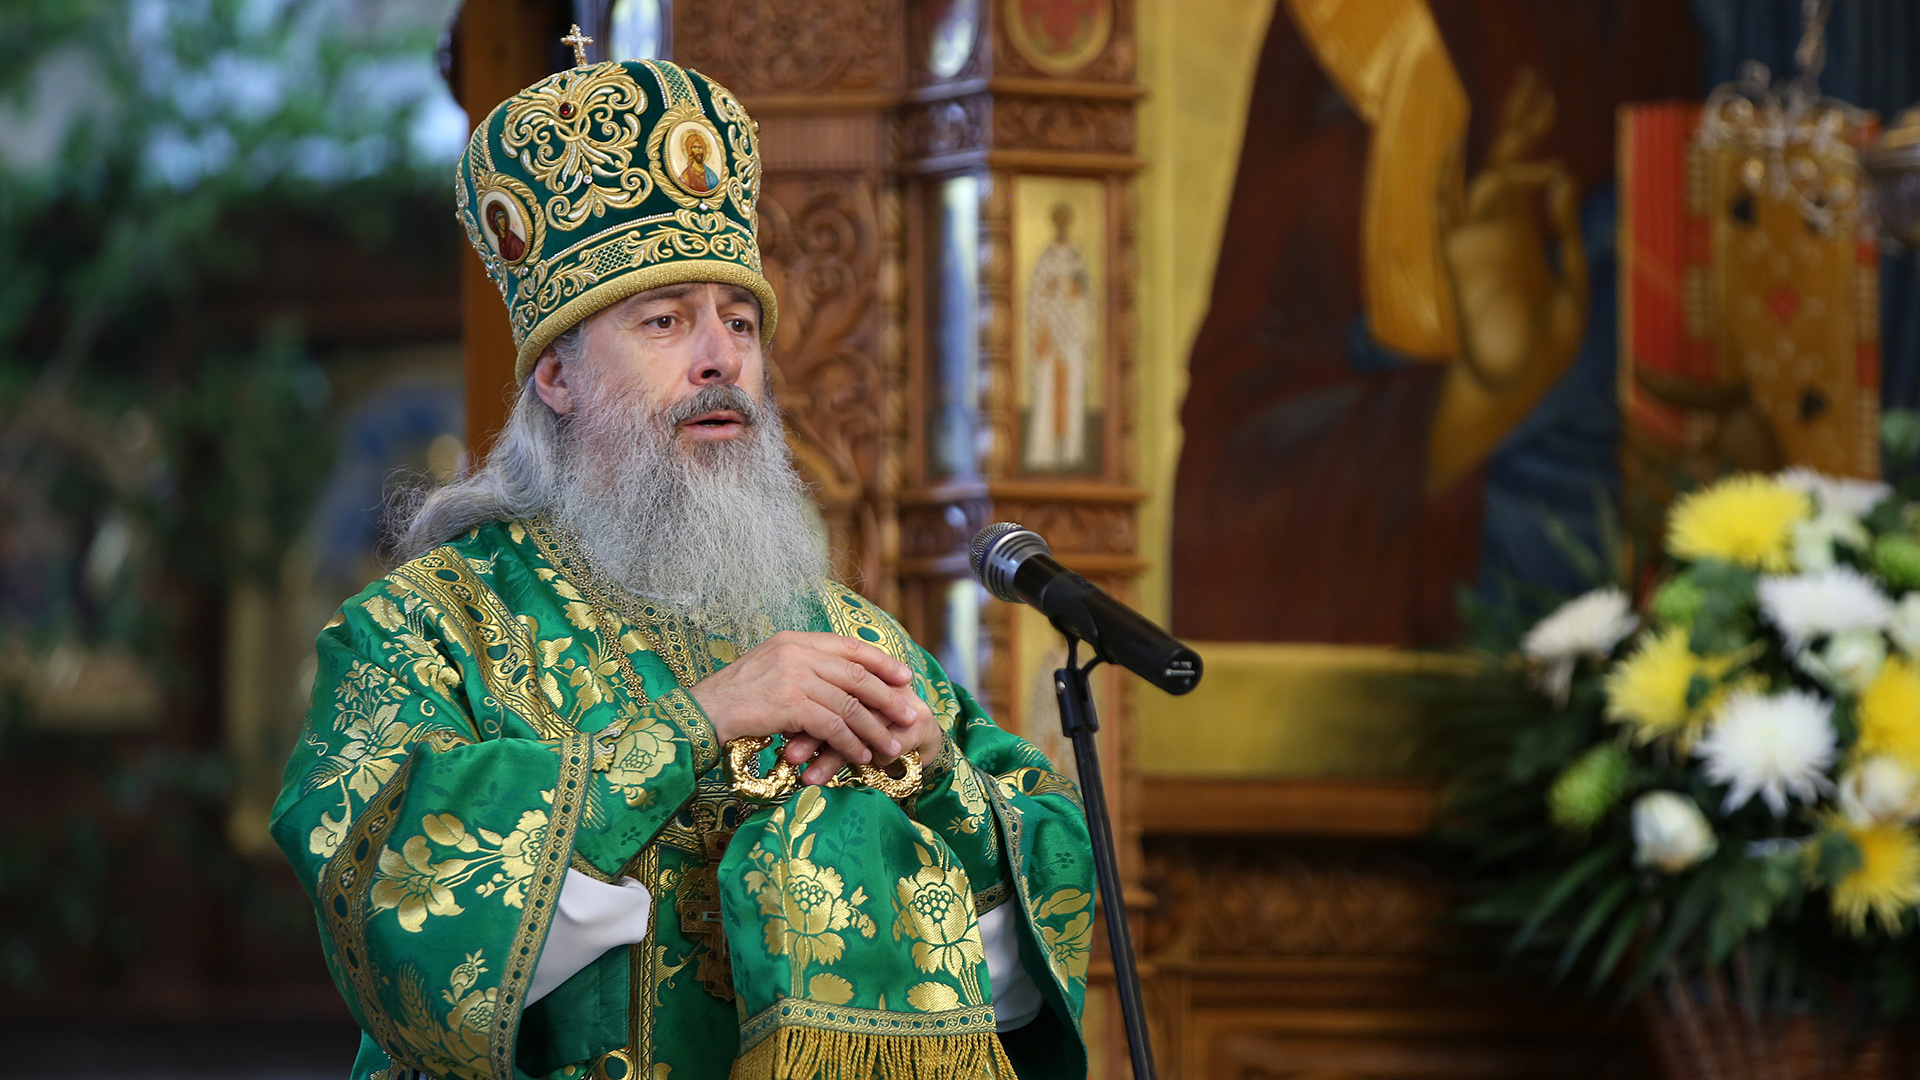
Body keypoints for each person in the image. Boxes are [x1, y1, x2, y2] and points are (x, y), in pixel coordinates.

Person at [270, 52, 1093, 1080]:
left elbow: (1036, 923)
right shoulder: (423, 632)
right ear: (558, 376)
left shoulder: (853, 640)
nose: (722, 358)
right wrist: (697, 723)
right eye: (665, 321)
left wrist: (934, 781)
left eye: (739, 322)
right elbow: (401, 918)